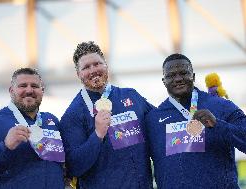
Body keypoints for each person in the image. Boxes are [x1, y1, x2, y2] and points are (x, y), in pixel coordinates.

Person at [59, 41, 155, 189]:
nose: (93, 70)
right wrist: (97, 135)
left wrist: (194, 112)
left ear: (106, 65)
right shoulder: (73, 114)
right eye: (86, 67)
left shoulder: (131, 96)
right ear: (79, 74)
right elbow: (74, 166)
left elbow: (161, 124)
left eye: (97, 64)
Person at [145, 53, 246, 188]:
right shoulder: (154, 118)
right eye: (171, 75)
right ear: (164, 81)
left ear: (193, 76)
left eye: (183, 73)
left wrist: (218, 125)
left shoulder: (222, 106)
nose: (178, 79)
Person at [0, 68, 65, 189]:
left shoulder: (51, 120)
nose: (29, 90)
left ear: (42, 91)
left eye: (34, 86)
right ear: (11, 91)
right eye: (22, 85)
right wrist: (5, 146)